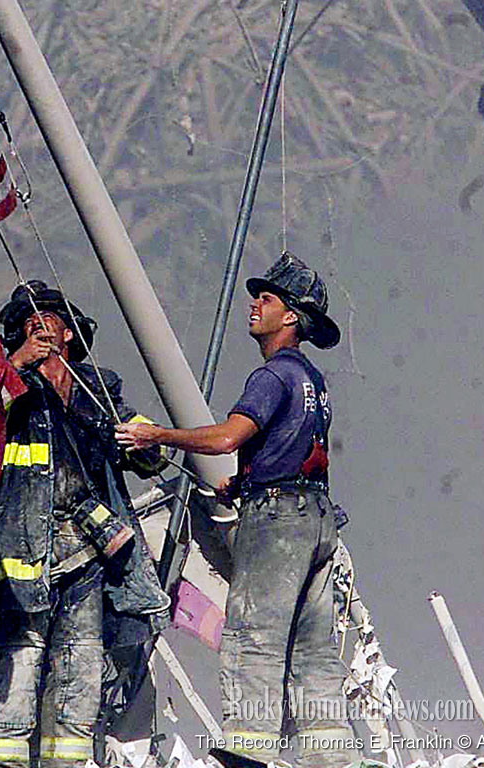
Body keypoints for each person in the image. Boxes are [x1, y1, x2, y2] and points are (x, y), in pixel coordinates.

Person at [115, 253, 360, 768]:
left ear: (290, 316)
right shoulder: (313, 381)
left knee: (254, 634)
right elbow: (294, 447)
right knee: (312, 646)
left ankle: (248, 749)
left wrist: (155, 433)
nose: (255, 304)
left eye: (267, 298)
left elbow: (229, 436)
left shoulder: (272, 376)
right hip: (315, 518)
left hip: (277, 523)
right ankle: (333, 757)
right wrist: (246, 481)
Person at [0, 281, 171, 768]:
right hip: (24, 552)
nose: (36, 323)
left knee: (80, 670)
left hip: (90, 555)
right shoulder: (9, 390)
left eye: (47, 316)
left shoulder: (99, 391)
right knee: (20, 663)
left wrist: (149, 443)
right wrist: (15, 365)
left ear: (70, 333)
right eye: (26, 322)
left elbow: (148, 457)